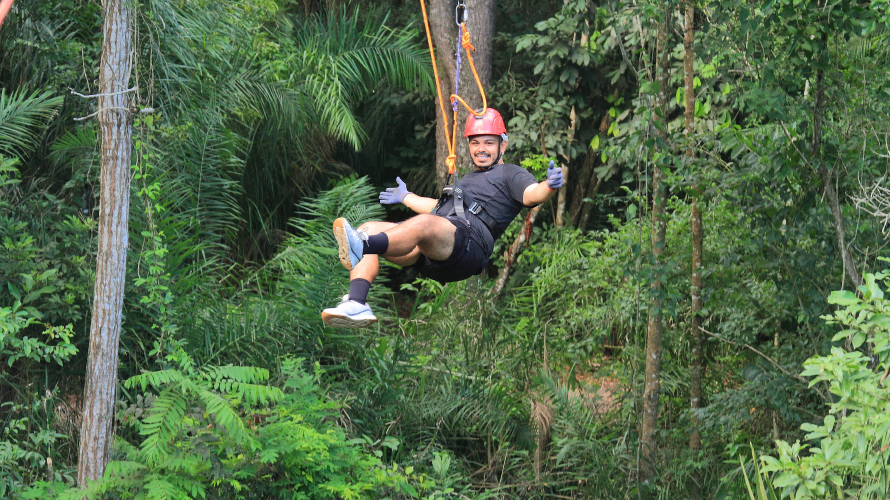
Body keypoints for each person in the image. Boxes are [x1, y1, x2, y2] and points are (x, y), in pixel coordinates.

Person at [321, 108, 564, 328]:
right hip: (436, 246)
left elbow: (532, 195)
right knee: (369, 227)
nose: (481, 149)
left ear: (503, 145)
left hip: (469, 247)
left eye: (489, 143)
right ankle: (357, 303)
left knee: (408, 229)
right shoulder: (468, 179)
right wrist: (407, 197)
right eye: (475, 143)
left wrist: (549, 186)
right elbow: (439, 210)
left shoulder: (511, 173)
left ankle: (360, 246)